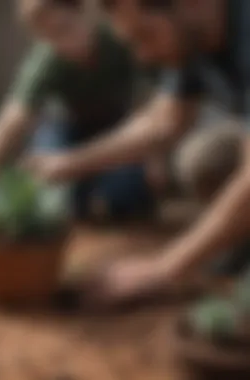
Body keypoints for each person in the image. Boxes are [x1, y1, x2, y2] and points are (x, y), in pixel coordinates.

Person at [24, 0, 250, 305]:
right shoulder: (192, 35)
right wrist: (70, 163)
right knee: (205, 161)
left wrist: (165, 266)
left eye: (146, 34)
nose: (143, 56)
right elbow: (165, 120)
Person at [0, 0, 158, 223]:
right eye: (49, 37)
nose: (62, 44)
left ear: (83, 13)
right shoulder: (46, 60)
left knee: (126, 196)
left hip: (118, 126)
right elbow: (12, 119)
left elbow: (155, 105)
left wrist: (154, 156)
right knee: (54, 201)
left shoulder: (120, 41)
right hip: (67, 127)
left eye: (64, 28)